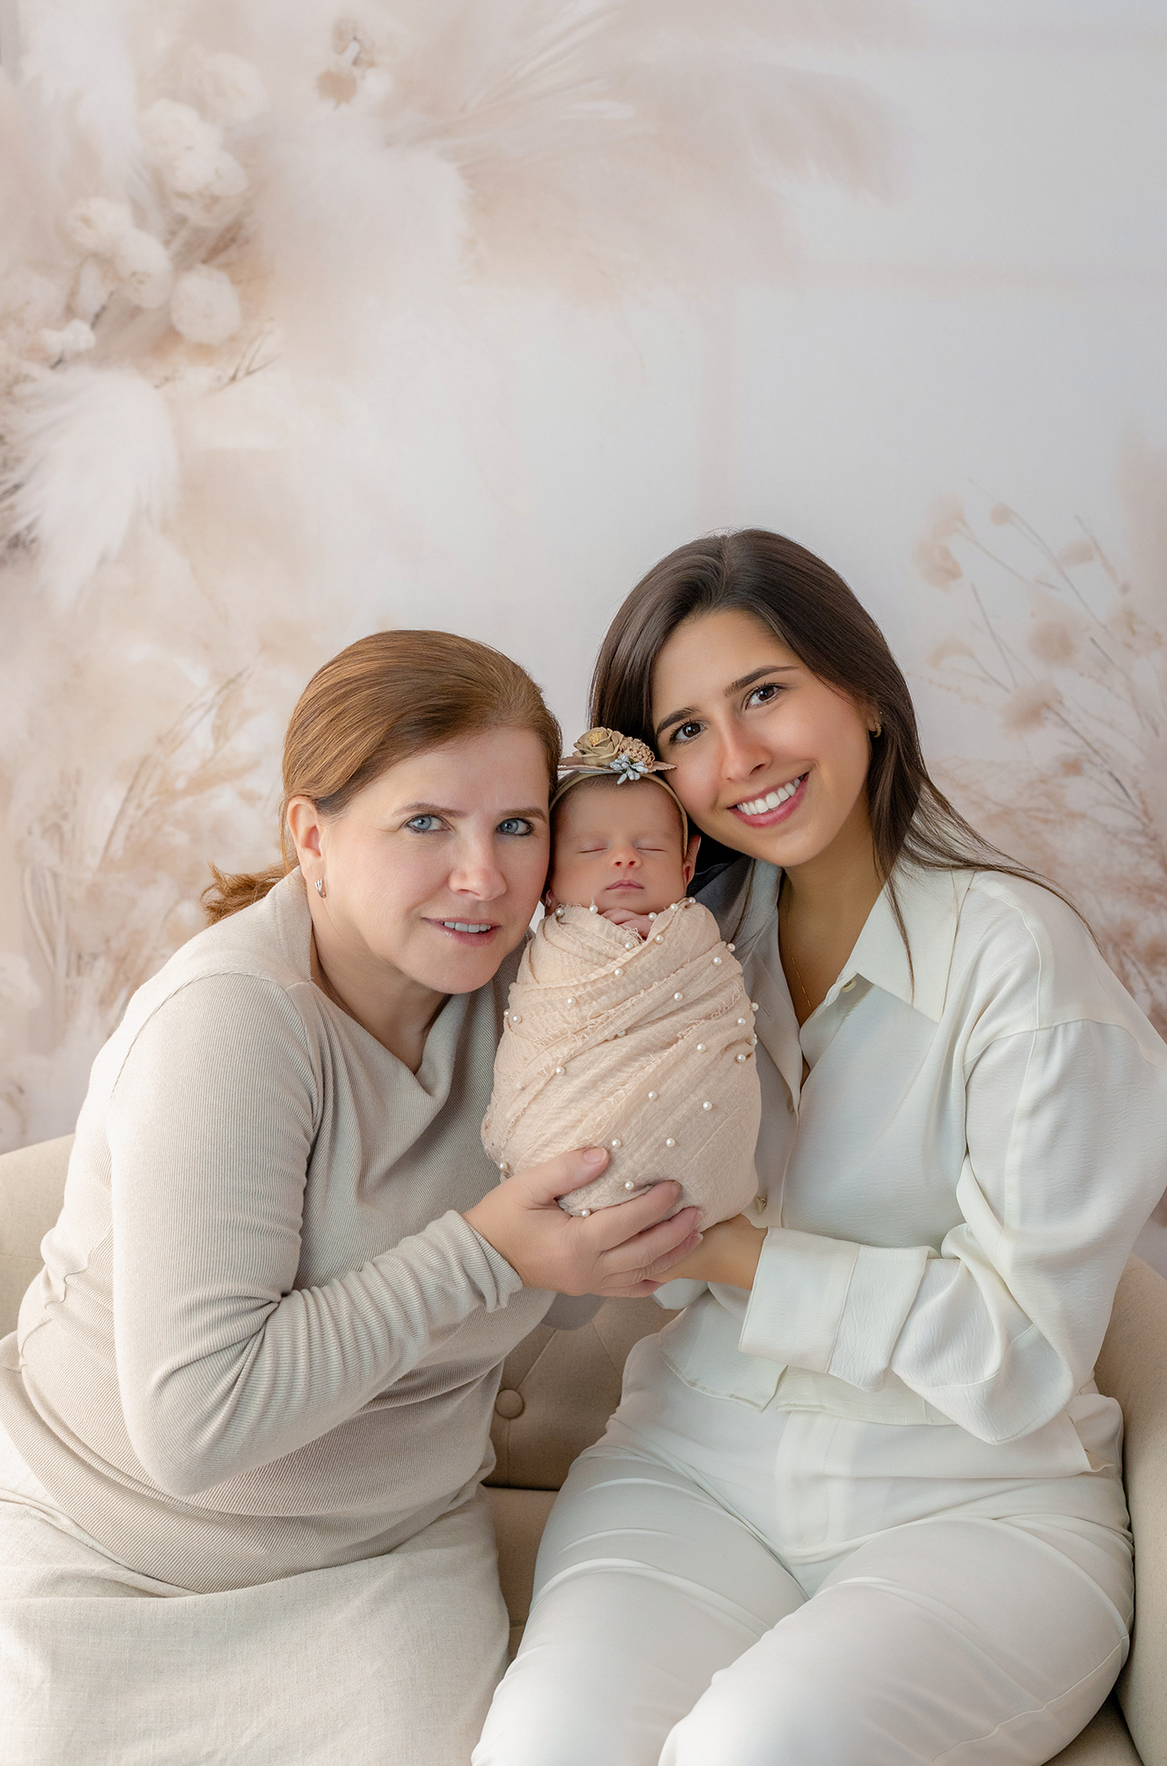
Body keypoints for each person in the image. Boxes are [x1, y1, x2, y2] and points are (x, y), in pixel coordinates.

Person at [474, 531, 1167, 1766]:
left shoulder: (1018, 960)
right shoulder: (670, 951)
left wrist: (738, 1256)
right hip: (693, 1470)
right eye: (683, 731)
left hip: (973, 1505)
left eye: (763, 694)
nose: (736, 760)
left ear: (863, 693)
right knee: (540, 1747)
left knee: (759, 1747)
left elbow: (1019, 1357)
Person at [0, 630, 702, 1766]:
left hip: (381, 1563)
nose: (484, 876)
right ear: (312, 837)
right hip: (97, 1554)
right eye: (427, 824)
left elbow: (561, 1302)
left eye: (516, 825)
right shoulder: (234, 1024)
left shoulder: (539, 999)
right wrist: (486, 1252)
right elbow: (195, 1426)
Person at [482, 726, 760, 1226]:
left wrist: (661, 944)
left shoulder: (697, 938)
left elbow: (714, 1008)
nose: (624, 858)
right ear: (546, 879)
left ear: (687, 863)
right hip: (559, 1142)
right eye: (591, 850)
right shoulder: (556, 948)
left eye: (650, 848)